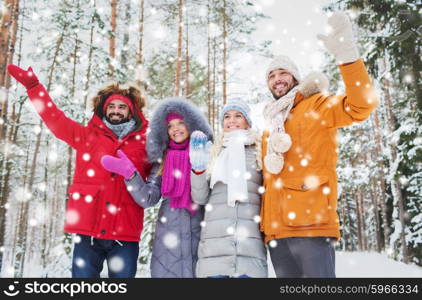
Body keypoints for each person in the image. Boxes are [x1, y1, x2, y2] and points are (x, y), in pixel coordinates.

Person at [260, 12, 379, 277]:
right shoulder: (271, 124)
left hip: (311, 225)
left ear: (295, 77)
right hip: (277, 233)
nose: (277, 79)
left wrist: (347, 56)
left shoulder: (317, 105)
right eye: (271, 76)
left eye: (283, 73)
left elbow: (361, 105)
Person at [7, 65, 151, 278]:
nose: (116, 110)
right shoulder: (87, 137)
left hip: (125, 234)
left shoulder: (145, 143)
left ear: (132, 111)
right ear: (104, 109)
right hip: (88, 233)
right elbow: (55, 120)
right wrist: (34, 87)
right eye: (112, 106)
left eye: (122, 107)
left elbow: (165, 165)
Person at [101, 98, 213, 277]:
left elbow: (208, 195)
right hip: (169, 239)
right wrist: (131, 175)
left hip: (201, 230)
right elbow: (148, 198)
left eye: (180, 123)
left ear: (192, 124)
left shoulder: (207, 153)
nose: (175, 129)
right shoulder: (163, 161)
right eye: (170, 126)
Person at [190, 99, 268, 278]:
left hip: (250, 248)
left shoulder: (260, 151)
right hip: (214, 249)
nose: (231, 120)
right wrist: (198, 168)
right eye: (227, 116)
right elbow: (200, 197)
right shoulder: (214, 152)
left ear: (247, 121)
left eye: (238, 116)